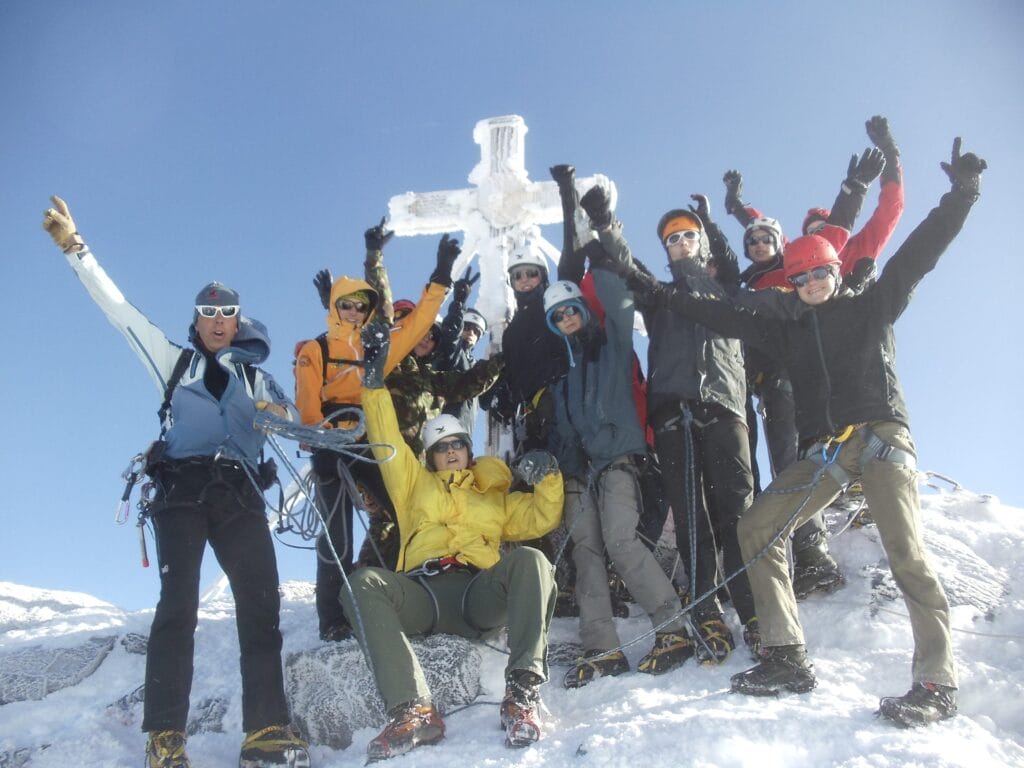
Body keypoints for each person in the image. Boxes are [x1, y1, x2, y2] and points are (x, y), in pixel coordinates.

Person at [604, 139, 985, 726]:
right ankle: (786, 654)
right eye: (800, 275)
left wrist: (961, 194)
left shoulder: (874, 303)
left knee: (907, 554)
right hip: (825, 453)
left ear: (835, 271)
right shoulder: (788, 332)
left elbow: (918, 252)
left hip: (882, 438)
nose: (809, 281)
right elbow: (724, 314)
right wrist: (659, 293)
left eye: (818, 273)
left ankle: (936, 681)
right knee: (757, 524)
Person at [42, 197, 310, 768]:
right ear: (198, 322)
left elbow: (295, 428)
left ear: (238, 322)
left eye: (227, 313)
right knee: (178, 606)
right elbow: (121, 312)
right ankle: (166, 737)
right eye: (208, 314)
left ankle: (266, 730)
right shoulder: (174, 363)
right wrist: (76, 250)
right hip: (181, 493)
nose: (217, 322)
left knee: (260, 606)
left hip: (239, 494)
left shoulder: (258, 379)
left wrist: (283, 418)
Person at [340, 322, 564, 761]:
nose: (451, 452)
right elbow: (385, 432)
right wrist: (372, 381)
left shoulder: (493, 498)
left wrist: (550, 478)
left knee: (532, 560)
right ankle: (414, 710)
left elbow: (542, 516)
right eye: (442, 448)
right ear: (429, 456)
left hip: (476, 598)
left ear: (468, 449)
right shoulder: (412, 486)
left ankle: (522, 692)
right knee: (362, 581)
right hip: (422, 595)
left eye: (458, 444)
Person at [726, 134, 893, 598]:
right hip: (753, 382)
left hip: (790, 378)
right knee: (757, 470)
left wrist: (854, 187)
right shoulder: (748, 284)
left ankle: (812, 550)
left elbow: (834, 233)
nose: (759, 242)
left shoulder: (796, 271)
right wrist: (734, 206)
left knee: (793, 458)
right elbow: (756, 228)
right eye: (752, 240)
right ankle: (768, 549)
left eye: (766, 238)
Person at [544, 186, 692, 687]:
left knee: (622, 540)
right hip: (580, 474)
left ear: (583, 312)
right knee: (586, 555)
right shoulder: (563, 384)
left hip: (621, 461)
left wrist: (604, 234)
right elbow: (563, 434)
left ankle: (673, 626)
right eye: (558, 316)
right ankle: (600, 649)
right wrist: (559, 469)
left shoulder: (613, 347)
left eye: (571, 310)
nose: (567, 318)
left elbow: (615, 293)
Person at [603, 193, 759, 663]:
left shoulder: (725, 286)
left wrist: (711, 218)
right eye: (672, 239)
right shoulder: (658, 296)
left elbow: (728, 259)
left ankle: (753, 610)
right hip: (673, 414)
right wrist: (604, 222)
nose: (680, 243)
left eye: (688, 235)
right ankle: (706, 606)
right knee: (691, 516)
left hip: (724, 407)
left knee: (738, 511)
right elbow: (627, 264)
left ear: (703, 242)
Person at [296, 226, 456, 642]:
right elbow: (308, 402)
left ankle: (405, 597)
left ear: (368, 309)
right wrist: (319, 437)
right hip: (332, 439)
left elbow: (419, 322)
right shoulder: (315, 350)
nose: (352, 311)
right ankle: (333, 619)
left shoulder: (377, 348)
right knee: (337, 535)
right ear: (335, 306)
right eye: (344, 305)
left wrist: (441, 275)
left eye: (359, 305)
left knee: (405, 514)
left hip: (368, 436)